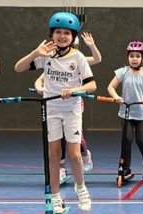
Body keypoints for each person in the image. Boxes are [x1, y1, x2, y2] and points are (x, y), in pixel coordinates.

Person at [14, 12, 97, 214]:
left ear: (73, 36)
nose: (62, 36)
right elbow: (18, 68)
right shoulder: (47, 55)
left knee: (75, 155)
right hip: (51, 109)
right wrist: (36, 53)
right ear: (52, 34)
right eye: (58, 32)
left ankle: (81, 187)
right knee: (53, 154)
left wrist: (75, 90)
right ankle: (56, 196)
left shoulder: (77, 58)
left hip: (72, 110)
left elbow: (92, 85)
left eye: (66, 33)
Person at [34, 32, 101, 180]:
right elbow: (41, 78)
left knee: (75, 138)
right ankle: (61, 169)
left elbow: (97, 59)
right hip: (54, 104)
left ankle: (84, 154)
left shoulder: (78, 58)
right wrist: (39, 87)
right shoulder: (52, 60)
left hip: (73, 102)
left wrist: (92, 45)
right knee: (58, 140)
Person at [107, 41, 143, 181]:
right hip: (126, 112)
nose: (134, 59)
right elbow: (111, 87)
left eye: (137, 56)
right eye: (131, 56)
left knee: (141, 140)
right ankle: (126, 168)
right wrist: (116, 97)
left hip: (142, 112)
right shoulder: (122, 72)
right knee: (126, 139)